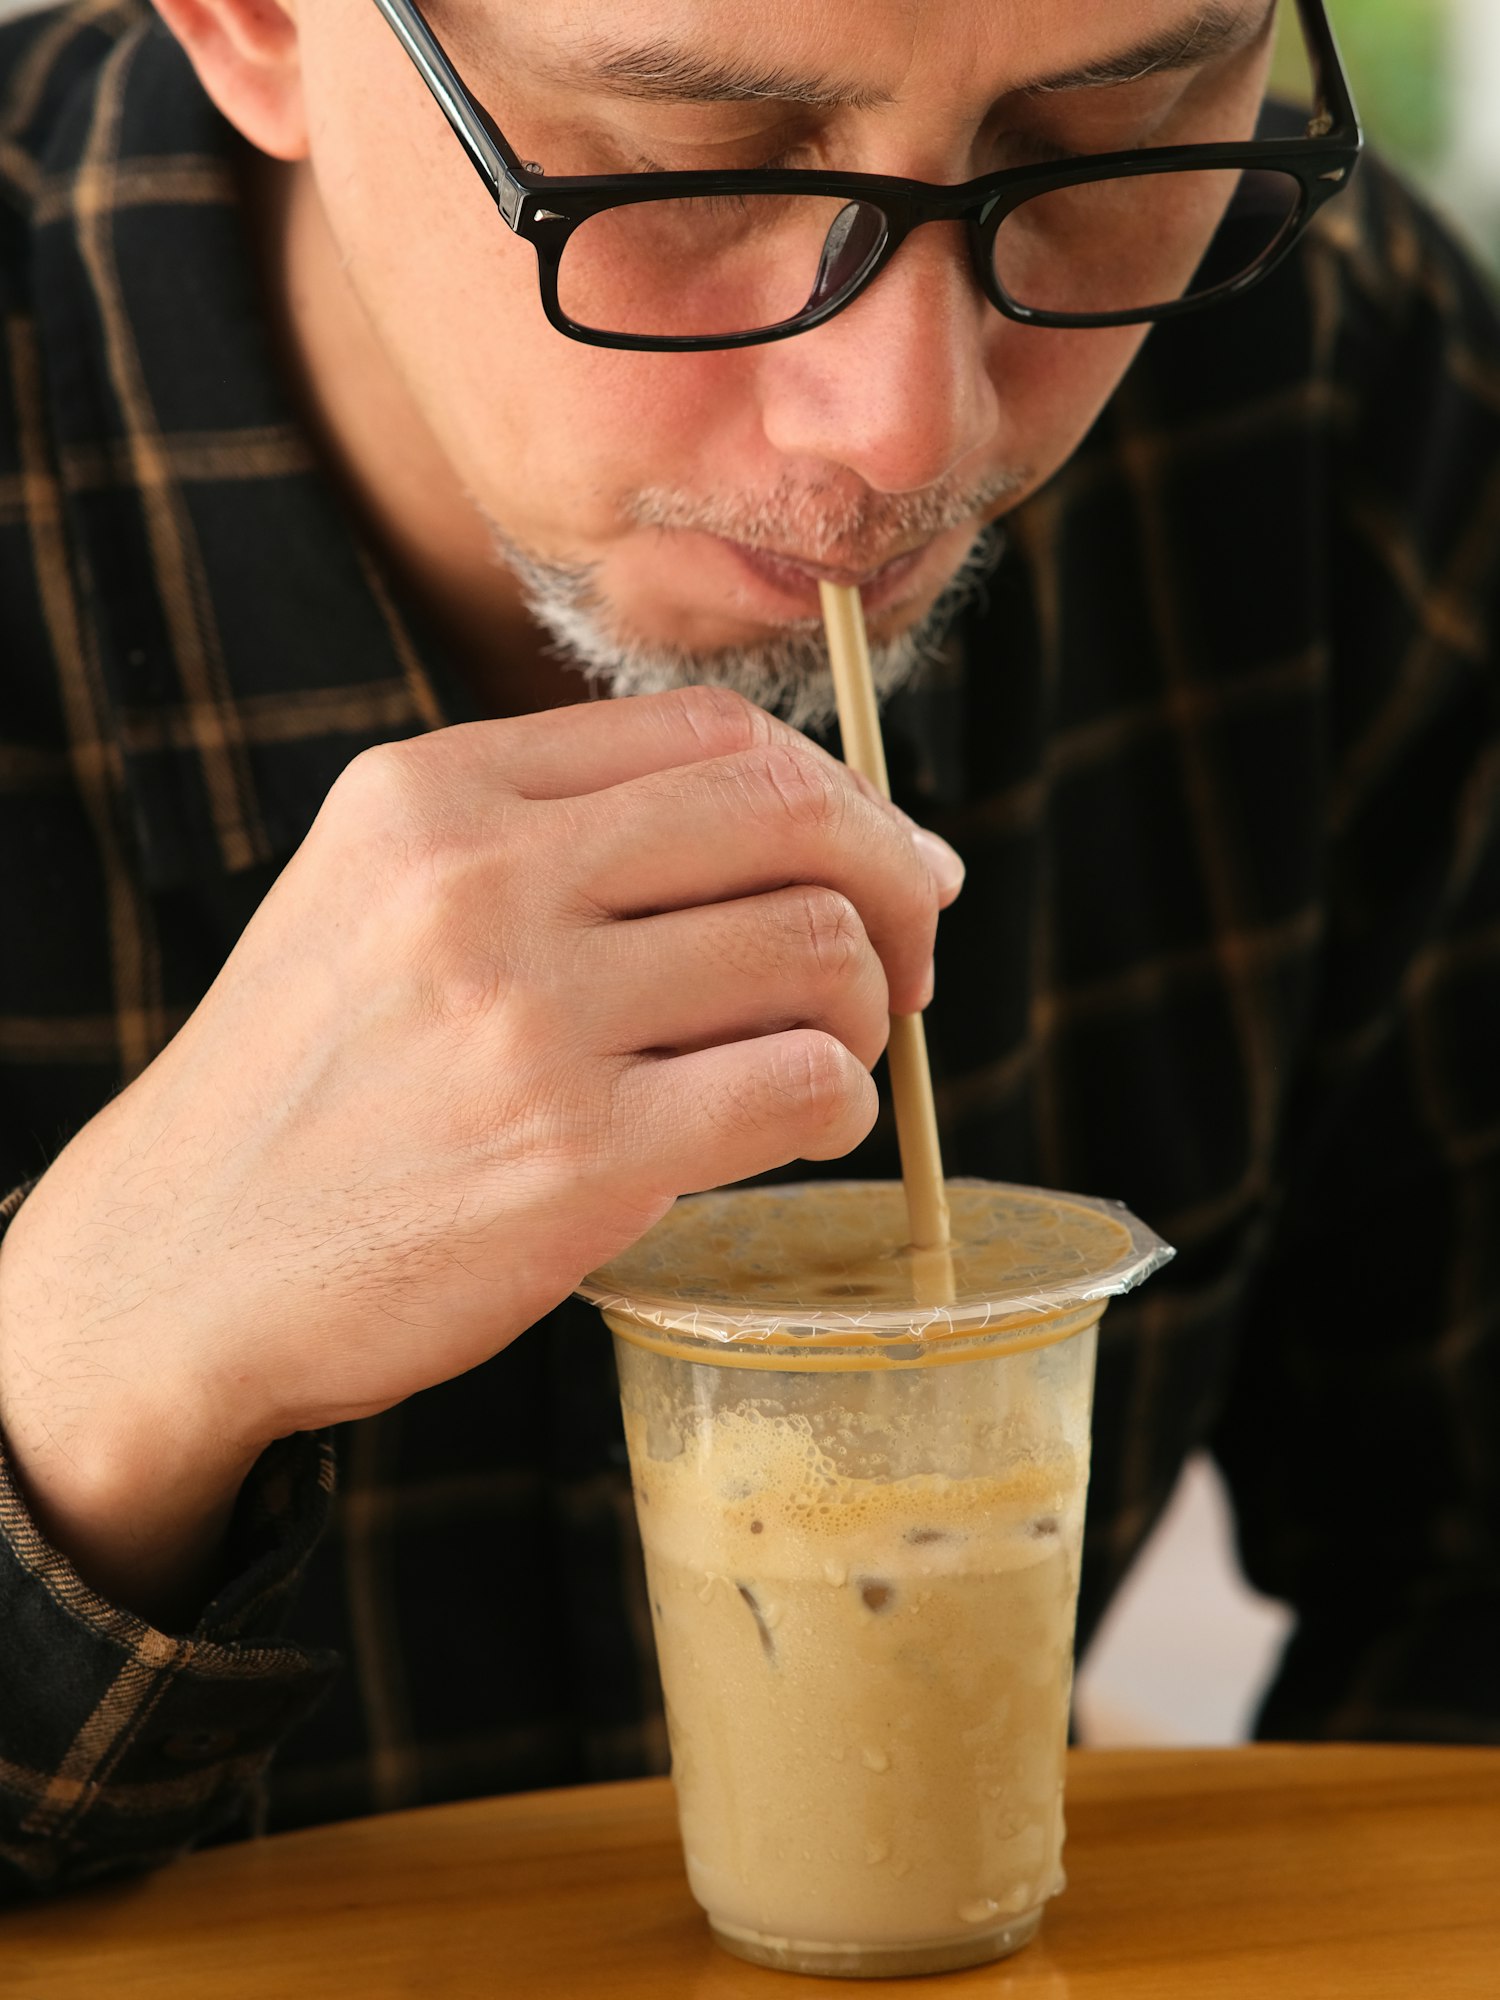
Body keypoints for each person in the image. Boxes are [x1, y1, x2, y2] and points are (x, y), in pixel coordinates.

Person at [0, 0, 1496, 1904]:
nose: (910, 429)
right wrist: (87, 1367)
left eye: (1112, 123)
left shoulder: (1342, 395)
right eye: (678, 164)